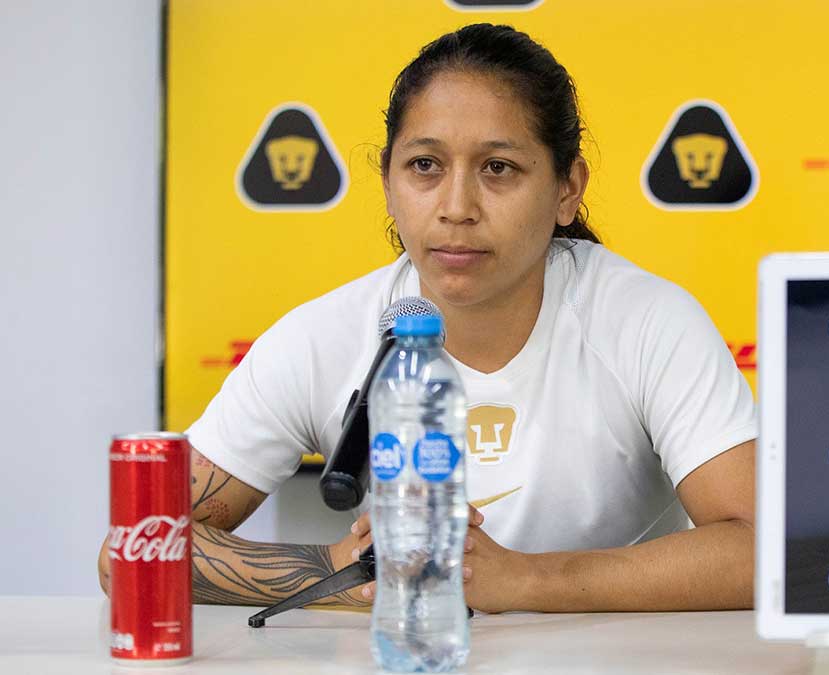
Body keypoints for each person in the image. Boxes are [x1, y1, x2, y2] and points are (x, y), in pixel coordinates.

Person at [99, 23, 756, 614]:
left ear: (567, 188)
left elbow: (764, 549)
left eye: (498, 168)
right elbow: (128, 551)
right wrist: (348, 566)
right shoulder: (324, 336)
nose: (456, 206)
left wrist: (519, 580)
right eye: (425, 166)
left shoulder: (647, 321)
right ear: (387, 183)